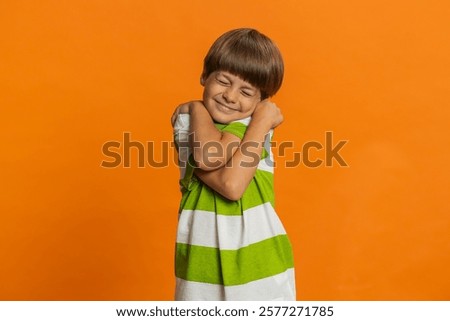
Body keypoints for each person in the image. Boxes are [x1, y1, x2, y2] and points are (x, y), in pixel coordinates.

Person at [171, 28, 295, 300]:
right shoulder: (189, 122)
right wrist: (197, 108)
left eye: (246, 91)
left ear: (261, 100)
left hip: (259, 269)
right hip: (199, 270)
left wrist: (259, 122)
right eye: (224, 81)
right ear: (205, 75)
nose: (230, 96)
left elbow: (230, 184)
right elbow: (211, 160)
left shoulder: (248, 126)